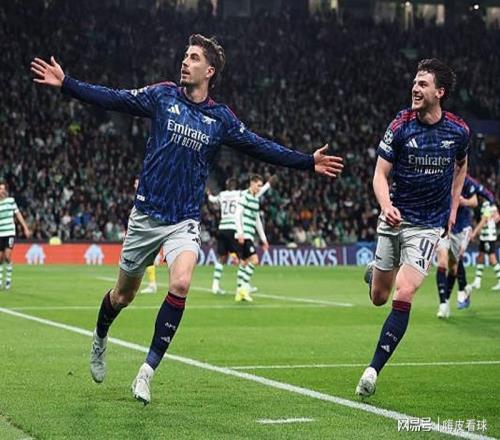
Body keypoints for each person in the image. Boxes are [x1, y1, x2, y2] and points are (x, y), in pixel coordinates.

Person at [31, 34, 343, 405]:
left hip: (183, 220)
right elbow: (115, 98)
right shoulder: (162, 96)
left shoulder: (220, 119)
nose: (185, 61)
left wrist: (307, 161)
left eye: (194, 58)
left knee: (180, 283)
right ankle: (100, 337)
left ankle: (147, 372)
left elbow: (260, 146)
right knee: (123, 295)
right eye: (186, 55)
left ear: (209, 71)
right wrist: (67, 84)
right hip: (146, 215)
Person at [357, 59, 469, 397]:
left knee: (404, 292)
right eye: (415, 83)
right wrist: (385, 206)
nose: (415, 89)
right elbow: (380, 175)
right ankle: (375, 272)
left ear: (440, 92)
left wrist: (453, 206)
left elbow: (461, 166)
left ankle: (372, 370)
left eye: (423, 84)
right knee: (379, 297)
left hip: (427, 226)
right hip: (395, 217)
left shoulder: (458, 131)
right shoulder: (400, 125)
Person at [208, 175, 274, 294]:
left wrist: (208, 194)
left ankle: (215, 285)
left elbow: (212, 199)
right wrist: (268, 185)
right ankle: (243, 284)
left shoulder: (222, 195)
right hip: (235, 228)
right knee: (245, 258)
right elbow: (256, 192)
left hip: (222, 228)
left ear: (227, 186)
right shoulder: (240, 194)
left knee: (222, 257)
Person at [435, 175, 478, 317]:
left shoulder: (465, 181)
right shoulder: (441, 176)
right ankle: (442, 304)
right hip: (443, 225)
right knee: (442, 261)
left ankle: (449, 298)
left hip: (460, 227)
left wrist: (463, 201)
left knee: (453, 268)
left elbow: (475, 201)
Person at [234, 174, 269, 302]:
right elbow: (237, 215)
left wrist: (264, 239)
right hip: (245, 235)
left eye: (261, 186)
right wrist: (240, 232)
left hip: (249, 235)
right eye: (258, 185)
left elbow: (257, 221)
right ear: (252, 183)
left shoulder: (255, 199)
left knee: (244, 263)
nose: (259, 188)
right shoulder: (245, 197)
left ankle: (239, 292)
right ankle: (244, 289)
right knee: (254, 260)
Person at [0, 182, 31, 290]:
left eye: (2, 189)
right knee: (0, 258)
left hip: (9, 233)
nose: (1, 191)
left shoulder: (11, 201)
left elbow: (18, 215)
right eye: (0, 189)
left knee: (7, 256)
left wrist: (25, 227)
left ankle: (8, 280)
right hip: (0, 233)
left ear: (5, 190)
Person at [469, 200, 500, 290]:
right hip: (484, 236)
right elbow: (497, 217)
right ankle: (477, 282)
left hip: (488, 237)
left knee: (492, 258)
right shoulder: (490, 204)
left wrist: (474, 233)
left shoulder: (486, 205)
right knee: (480, 257)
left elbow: (483, 221)